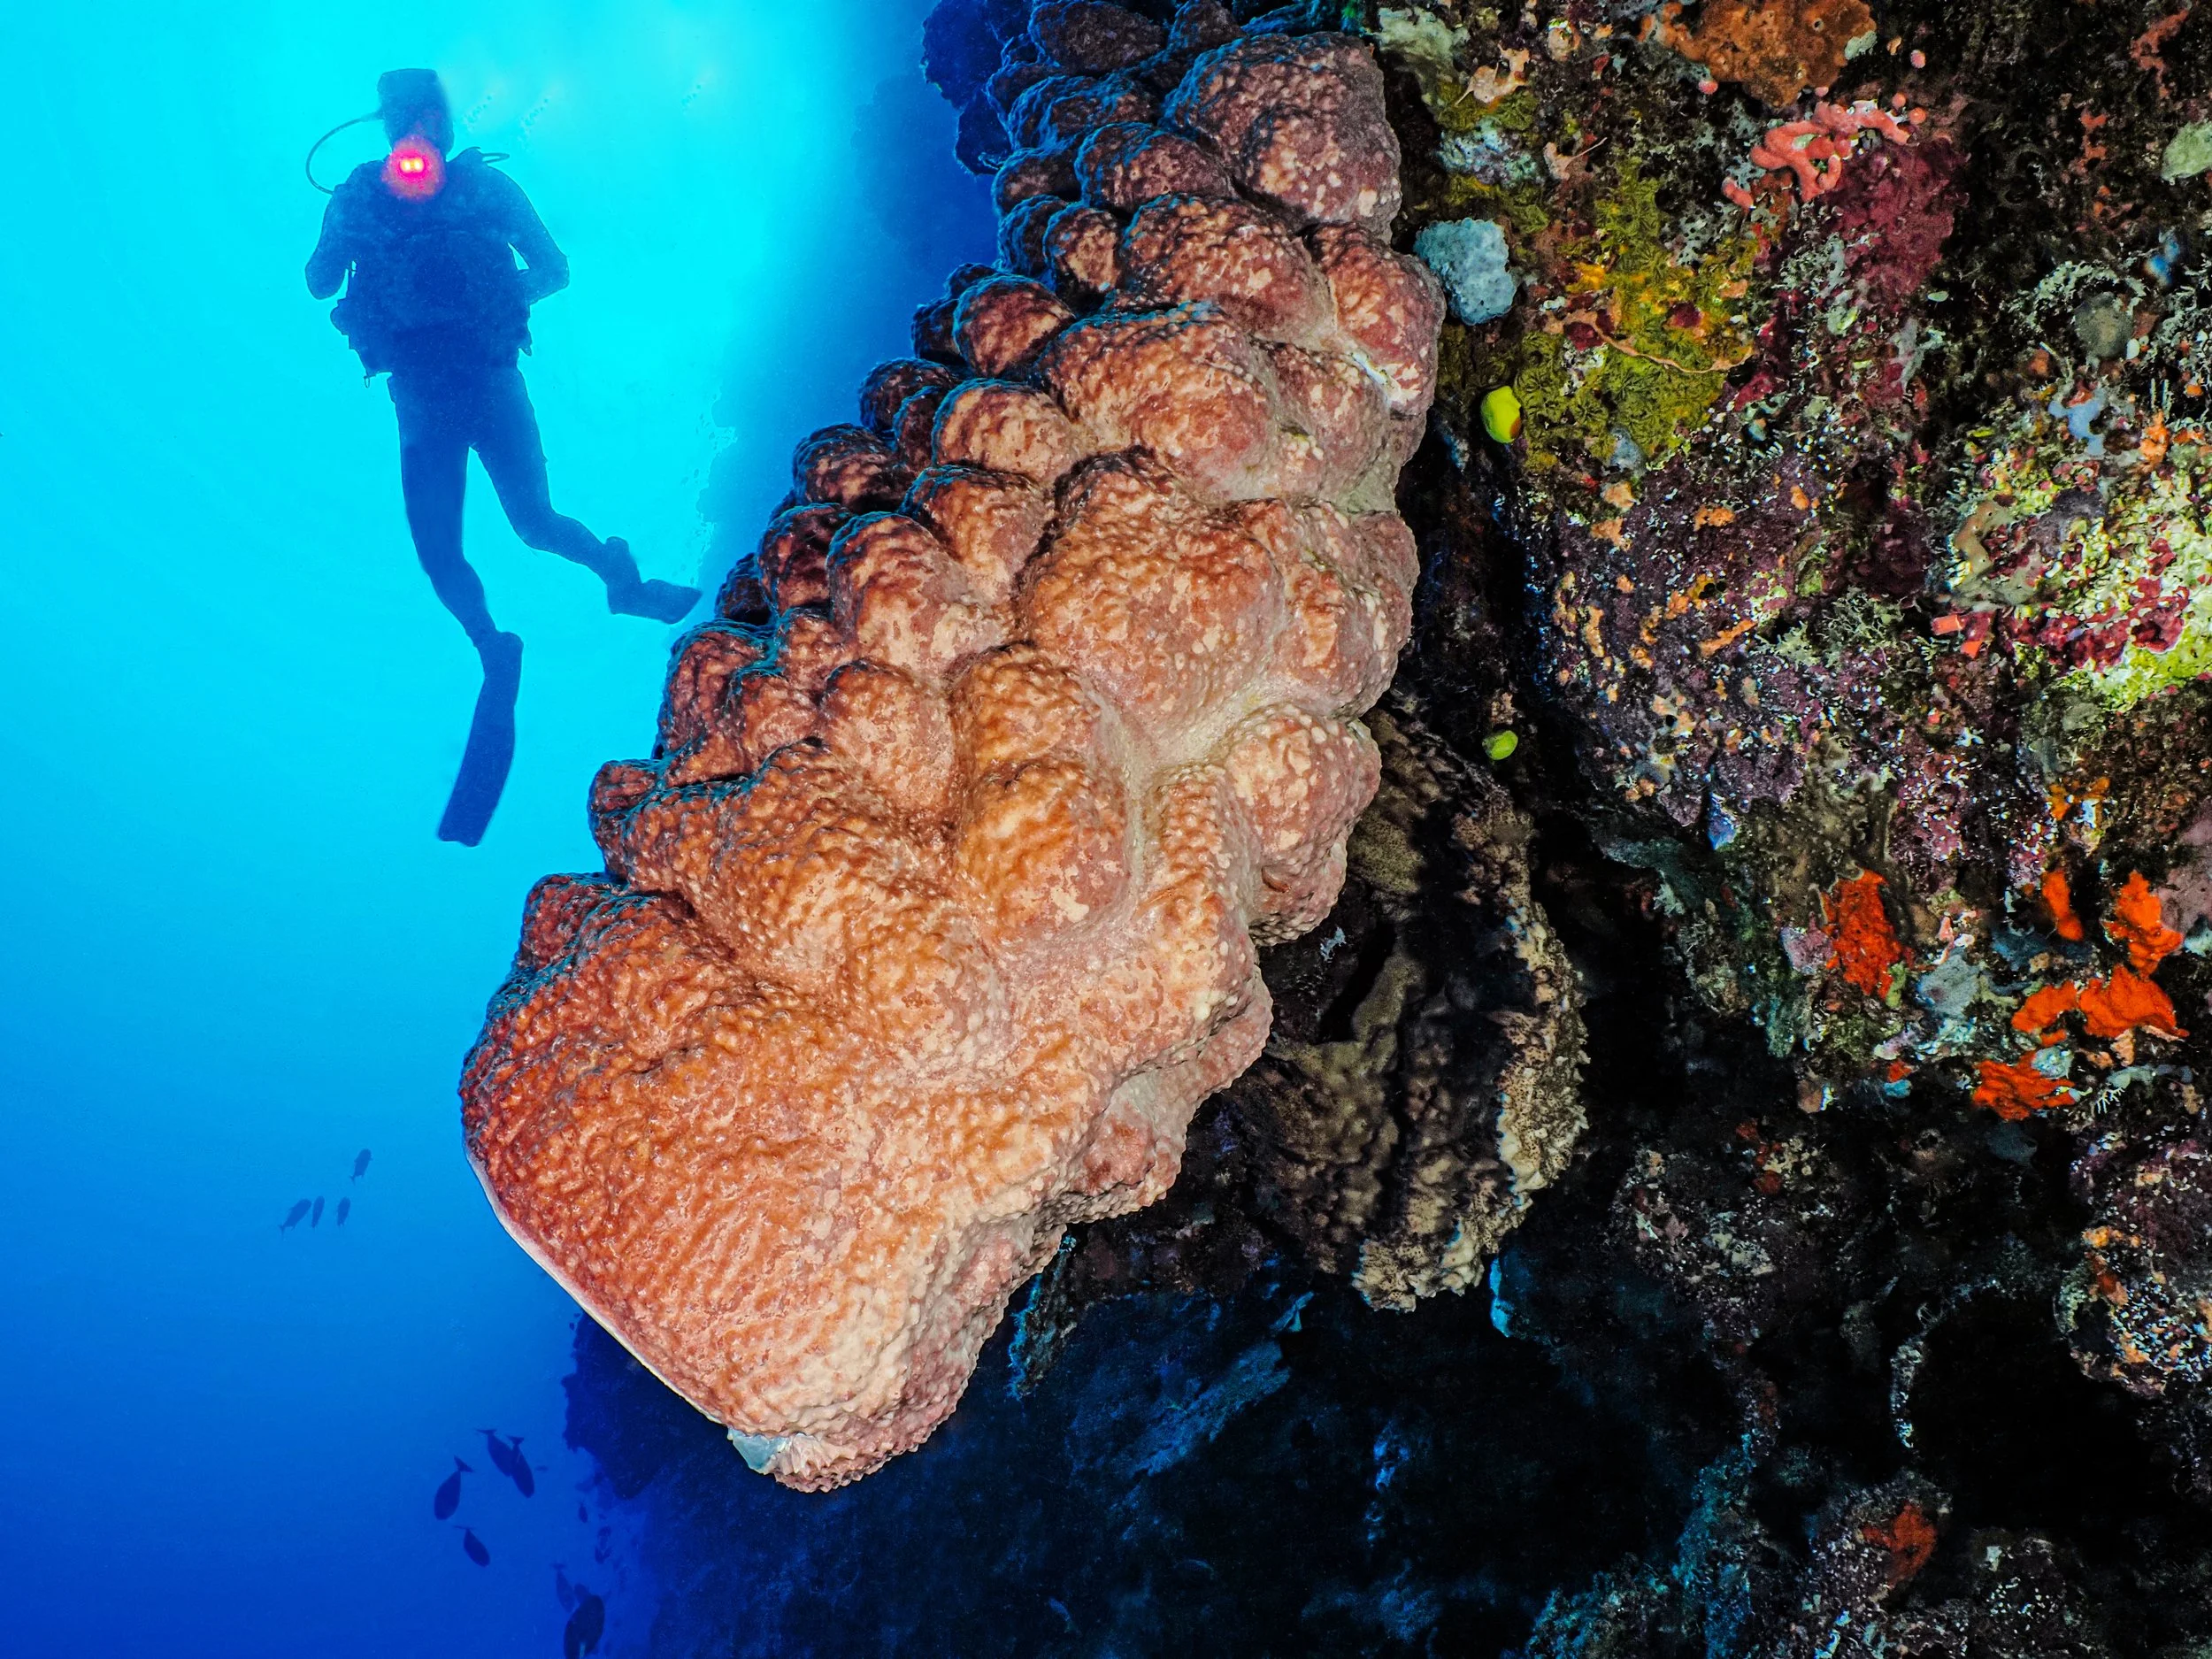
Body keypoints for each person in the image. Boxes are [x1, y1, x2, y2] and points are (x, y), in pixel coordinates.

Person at [306, 69, 697, 841]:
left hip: (488, 376)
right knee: (438, 552)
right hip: (420, 391)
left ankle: (620, 576)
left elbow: (555, 268)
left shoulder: (487, 192)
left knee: (535, 523)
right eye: (405, 120)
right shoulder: (357, 195)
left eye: (432, 118)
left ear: (448, 125)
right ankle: (494, 647)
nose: (421, 135)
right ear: (385, 126)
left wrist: (486, 291)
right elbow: (318, 282)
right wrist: (345, 229)